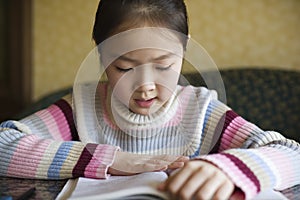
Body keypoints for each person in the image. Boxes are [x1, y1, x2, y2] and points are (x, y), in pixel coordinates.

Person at [0, 0, 299, 199]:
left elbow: (291, 154)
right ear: (101, 56)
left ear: (184, 51)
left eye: (163, 66)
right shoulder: (80, 109)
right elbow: (4, 143)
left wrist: (228, 169)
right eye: (125, 67)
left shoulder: (202, 112)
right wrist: (114, 160)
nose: (145, 87)